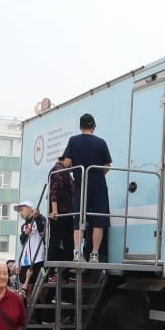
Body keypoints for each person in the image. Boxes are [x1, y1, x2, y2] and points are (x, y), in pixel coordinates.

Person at [62, 112, 113, 263]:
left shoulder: (73, 141)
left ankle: (77, 253)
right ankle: (95, 254)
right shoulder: (101, 142)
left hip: (80, 184)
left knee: (79, 219)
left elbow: (66, 163)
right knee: (99, 221)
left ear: (80, 126)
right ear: (94, 127)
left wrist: (75, 170)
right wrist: (97, 174)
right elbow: (107, 166)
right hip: (98, 185)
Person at [48, 154, 75, 263]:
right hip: (61, 212)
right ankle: (53, 268)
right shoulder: (59, 171)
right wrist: (55, 211)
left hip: (65, 211)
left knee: (64, 240)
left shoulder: (61, 170)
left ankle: (63, 269)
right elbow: (54, 192)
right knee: (59, 240)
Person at [16, 201, 47, 294]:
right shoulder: (23, 226)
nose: (20, 212)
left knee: (39, 289)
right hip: (26, 259)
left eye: (22, 209)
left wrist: (37, 217)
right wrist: (25, 234)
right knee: (26, 287)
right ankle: (27, 307)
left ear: (30, 209)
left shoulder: (41, 219)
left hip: (38, 258)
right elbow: (22, 242)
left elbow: (43, 231)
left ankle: (42, 308)